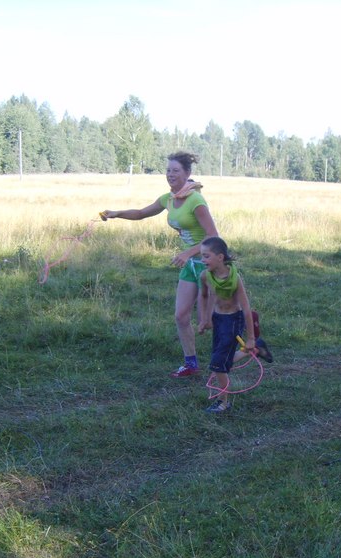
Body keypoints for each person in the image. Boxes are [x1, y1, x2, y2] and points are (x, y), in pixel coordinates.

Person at [101, 151, 218, 377]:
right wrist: (117, 213)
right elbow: (141, 213)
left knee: (212, 320)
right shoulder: (168, 199)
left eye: (176, 171)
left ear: (187, 173)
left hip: (209, 263)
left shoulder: (196, 201)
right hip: (190, 266)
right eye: (168, 171)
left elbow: (214, 235)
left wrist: (188, 252)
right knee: (181, 316)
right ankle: (191, 364)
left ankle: (246, 340)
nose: (170, 175)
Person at [197, 237, 273, 413]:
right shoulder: (205, 276)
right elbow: (204, 296)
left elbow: (246, 309)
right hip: (218, 319)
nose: (202, 260)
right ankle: (254, 349)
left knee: (217, 363)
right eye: (202, 256)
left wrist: (251, 337)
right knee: (221, 358)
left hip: (233, 320)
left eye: (206, 256)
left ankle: (223, 402)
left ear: (220, 257)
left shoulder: (235, 278)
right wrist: (204, 319)